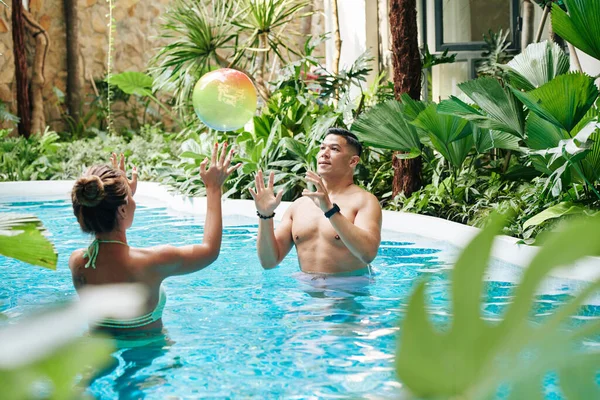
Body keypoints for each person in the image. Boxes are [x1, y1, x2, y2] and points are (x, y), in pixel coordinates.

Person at [69, 142, 241, 332]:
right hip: (149, 357)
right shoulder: (154, 261)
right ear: (123, 210)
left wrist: (119, 197)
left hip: (96, 356)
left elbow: (109, 233)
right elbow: (210, 250)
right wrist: (213, 188)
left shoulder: (78, 263)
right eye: (131, 199)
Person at [249, 128, 382, 276]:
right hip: (307, 290)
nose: (324, 153)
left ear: (353, 161)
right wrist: (265, 216)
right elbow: (269, 262)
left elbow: (368, 254)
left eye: (334, 149)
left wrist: (330, 211)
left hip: (348, 290)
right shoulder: (299, 206)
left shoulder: (365, 201)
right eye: (322, 148)